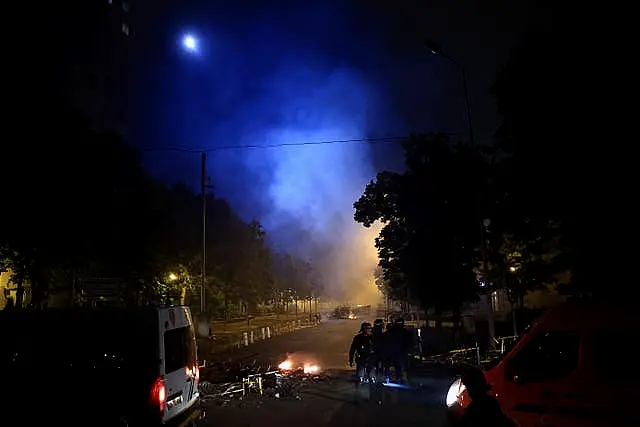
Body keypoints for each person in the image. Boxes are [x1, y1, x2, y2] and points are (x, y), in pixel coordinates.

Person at [348, 322, 377, 395]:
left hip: (371, 361)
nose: (369, 330)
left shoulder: (373, 338)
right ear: (363, 329)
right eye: (367, 328)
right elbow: (352, 349)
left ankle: (373, 396)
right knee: (359, 379)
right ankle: (358, 396)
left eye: (370, 328)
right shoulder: (358, 338)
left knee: (372, 379)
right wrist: (351, 360)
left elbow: (378, 349)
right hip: (361, 361)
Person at [386, 317, 412, 382]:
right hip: (399, 351)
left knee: (400, 365)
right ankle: (403, 377)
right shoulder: (404, 331)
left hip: (399, 351)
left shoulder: (394, 331)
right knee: (402, 365)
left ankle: (401, 377)